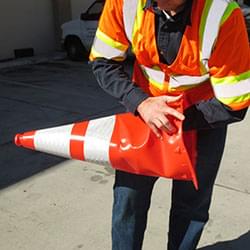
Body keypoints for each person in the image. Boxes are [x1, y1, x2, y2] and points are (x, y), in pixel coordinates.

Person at [89, 0, 250, 249]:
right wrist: (141, 103)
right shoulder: (124, 2)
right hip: (144, 116)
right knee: (128, 200)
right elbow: (102, 61)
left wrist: (171, 119)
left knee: (190, 209)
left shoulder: (223, 14)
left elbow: (234, 104)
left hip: (203, 121)